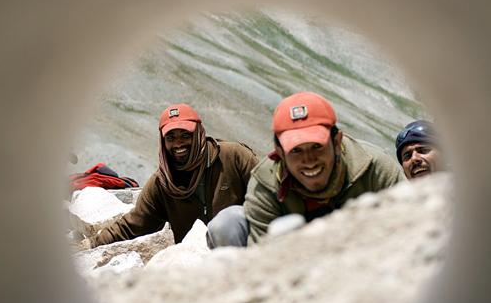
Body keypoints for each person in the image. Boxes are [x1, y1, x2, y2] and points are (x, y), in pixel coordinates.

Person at [206, 91, 406, 248]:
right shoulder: (265, 183)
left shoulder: (374, 168)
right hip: (292, 259)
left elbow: (410, 225)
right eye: (296, 150)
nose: (309, 160)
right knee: (228, 222)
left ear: (337, 142)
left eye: (317, 146)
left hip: (366, 250)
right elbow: (263, 256)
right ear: (280, 152)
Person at [79, 103, 259, 249]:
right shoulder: (162, 183)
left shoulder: (233, 156)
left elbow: (268, 194)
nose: (178, 143)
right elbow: (134, 224)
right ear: (163, 141)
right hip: (195, 261)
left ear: (198, 134)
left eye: (185, 135)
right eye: (171, 137)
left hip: (245, 249)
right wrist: (90, 244)